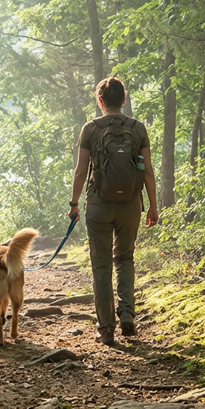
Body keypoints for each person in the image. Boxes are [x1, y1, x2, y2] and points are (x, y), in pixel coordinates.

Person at [68, 77, 158, 346]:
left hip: (98, 205)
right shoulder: (138, 128)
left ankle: (106, 328)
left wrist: (74, 204)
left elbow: (82, 170)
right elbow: (147, 170)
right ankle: (127, 314)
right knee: (125, 259)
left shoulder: (90, 129)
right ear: (123, 100)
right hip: (131, 204)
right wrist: (153, 205)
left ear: (100, 101)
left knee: (102, 265)